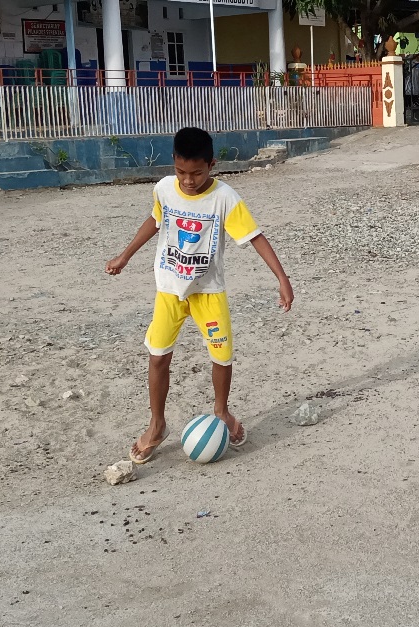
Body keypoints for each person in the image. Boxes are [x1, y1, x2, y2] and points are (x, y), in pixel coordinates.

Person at [106, 127, 294, 464]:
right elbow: (155, 220)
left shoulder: (225, 198)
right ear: (173, 165)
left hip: (208, 292)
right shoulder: (164, 189)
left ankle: (221, 412)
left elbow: (255, 237)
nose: (188, 180)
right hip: (169, 288)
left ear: (212, 165)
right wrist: (125, 255)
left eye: (197, 172)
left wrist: (282, 278)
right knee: (158, 355)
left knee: (222, 356)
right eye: (181, 172)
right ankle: (157, 423)